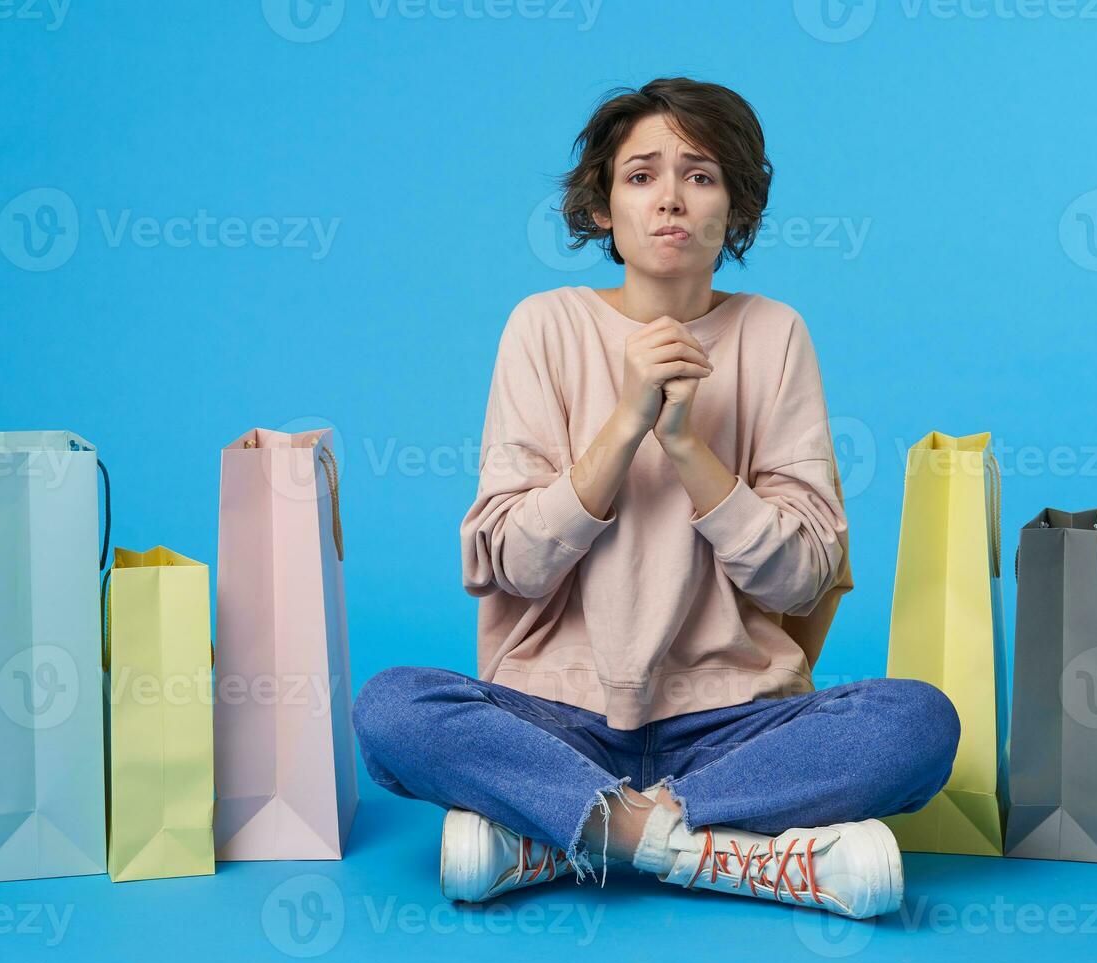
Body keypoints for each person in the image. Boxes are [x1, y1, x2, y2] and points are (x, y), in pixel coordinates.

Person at [352, 77, 960, 920]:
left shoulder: (773, 332)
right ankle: (716, 852)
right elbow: (515, 564)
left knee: (917, 723)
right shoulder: (545, 325)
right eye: (641, 176)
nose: (670, 198)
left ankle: (556, 836)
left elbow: (803, 579)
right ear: (602, 207)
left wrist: (685, 445)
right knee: (394, 708)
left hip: (733, 726)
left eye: (701, 175)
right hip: (555, 714)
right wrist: (629, 420)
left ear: (735, 209)